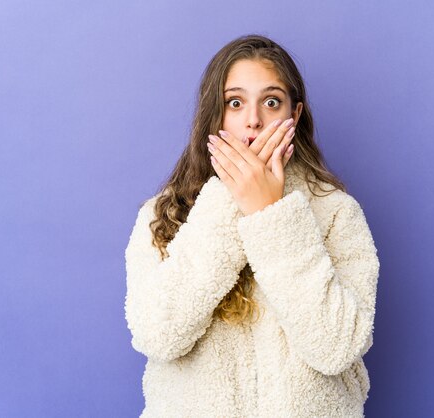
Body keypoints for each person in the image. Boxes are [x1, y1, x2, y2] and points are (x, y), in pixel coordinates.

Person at [124, 34, 380, 417]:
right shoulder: (161, 214)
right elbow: (158, 335)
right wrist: (233, 199)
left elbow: (337, 347)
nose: (254, 120)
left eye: (271, 101)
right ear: (215, 114)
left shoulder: (337, 213)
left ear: (293, 117)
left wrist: (271, 214)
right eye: (235, 102)